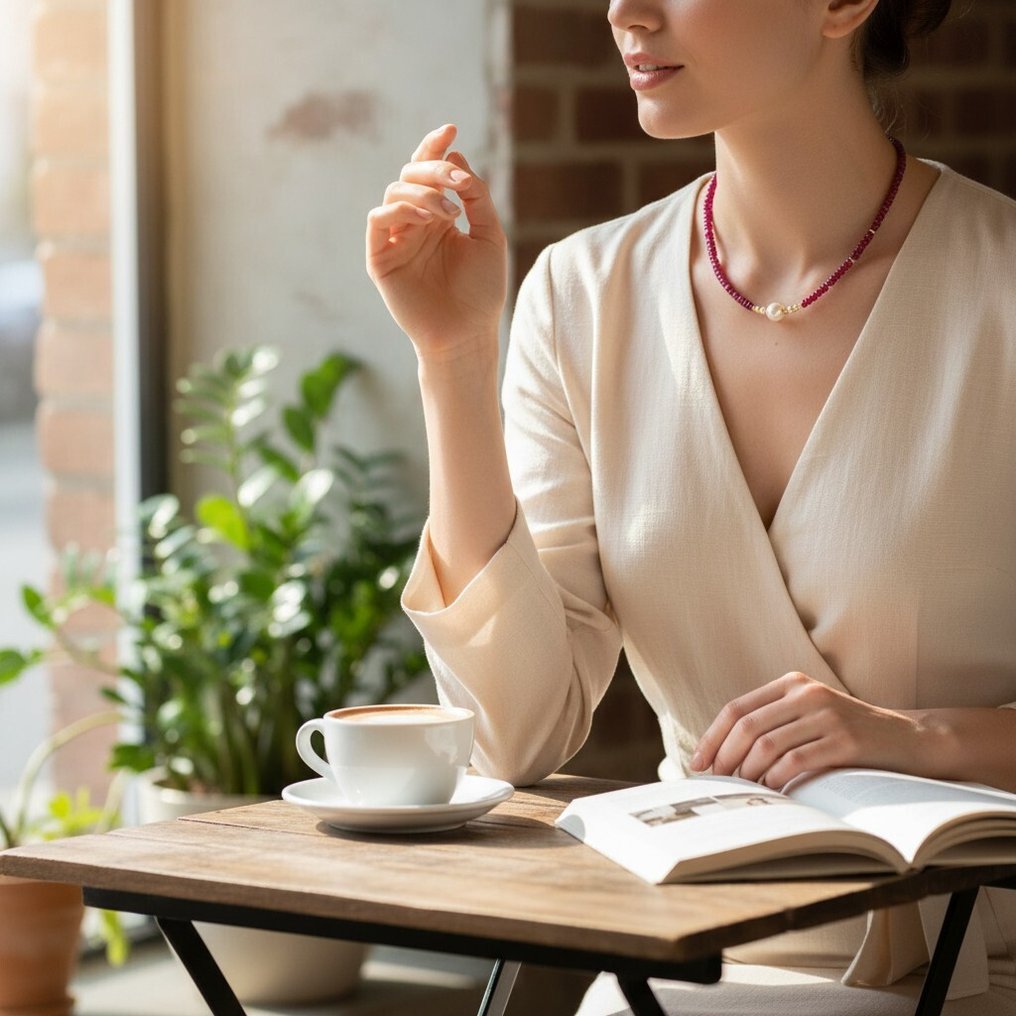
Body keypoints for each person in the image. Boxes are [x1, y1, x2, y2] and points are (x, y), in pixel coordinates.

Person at [366, 0, 1016, 1012]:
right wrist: (452, 358)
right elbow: (514, 732)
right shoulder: (578, 295)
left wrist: (919, 737)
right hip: (688, 959)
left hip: (976, 964)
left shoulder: (1000, 286)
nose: (626, 8)